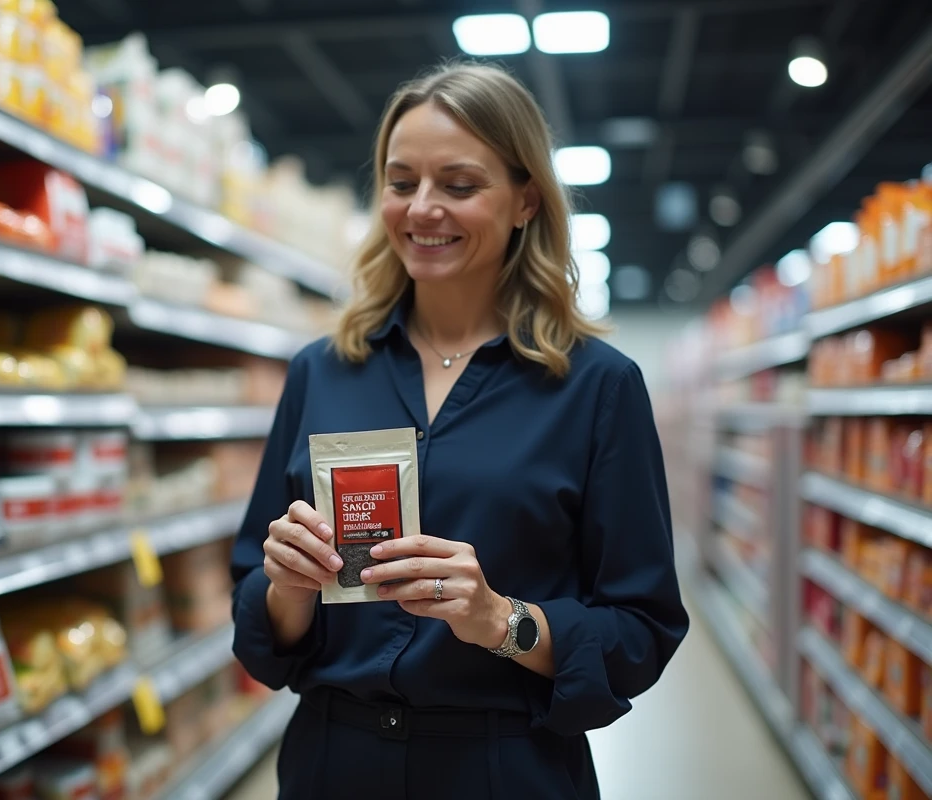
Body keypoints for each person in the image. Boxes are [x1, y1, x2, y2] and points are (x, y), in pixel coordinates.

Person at [230, 62, 689, 799]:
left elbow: (641, 629)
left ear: (525, 199)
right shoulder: (321, 371)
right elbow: (256, 611)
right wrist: (286, 586)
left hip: (506, 768)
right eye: (401, 181)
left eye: (460, 185)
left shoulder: (598, 386)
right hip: (331, 764)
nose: (422, 209)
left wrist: (499, 619)